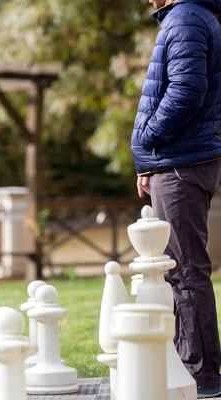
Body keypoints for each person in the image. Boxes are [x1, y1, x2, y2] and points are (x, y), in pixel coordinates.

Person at [132, 0, 221, 397]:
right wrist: (150, 162)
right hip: (177, 163)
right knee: (178, 271)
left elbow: (187, 90)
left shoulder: (185, 17)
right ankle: (189, 371)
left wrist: (148, 137)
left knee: (184, 272)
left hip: (182, 165)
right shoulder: (187, 17)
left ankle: (202, 378)